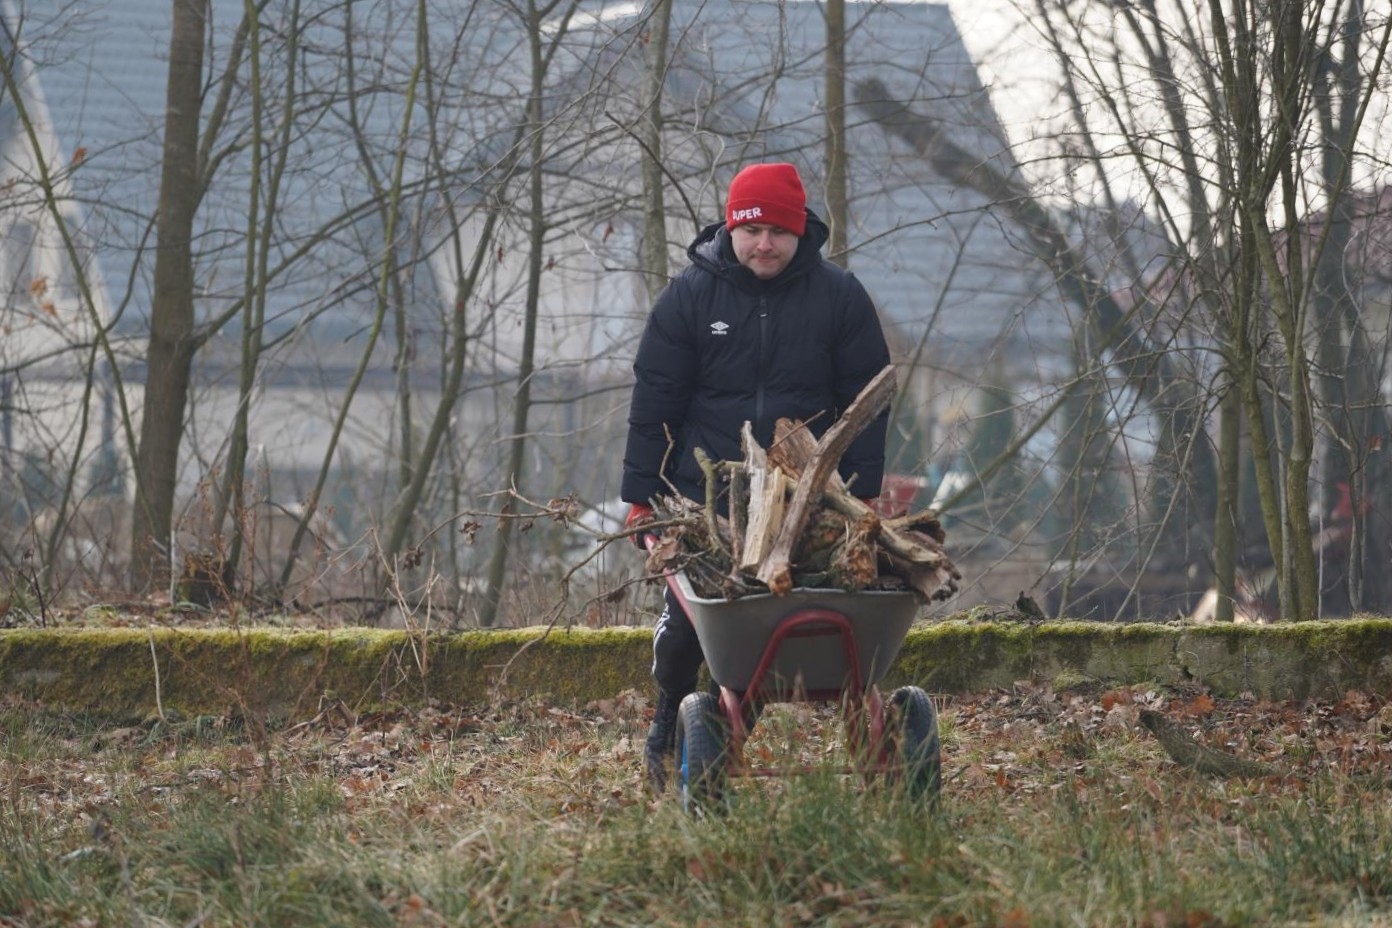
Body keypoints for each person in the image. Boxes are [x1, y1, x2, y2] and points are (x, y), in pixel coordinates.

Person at [620, 162, 892, 792]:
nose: (764, 244)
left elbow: (867, 403)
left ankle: (741, 724)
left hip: (809, 496)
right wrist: (642, 498)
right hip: (707, 496)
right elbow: (655, 400)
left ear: (800, 232)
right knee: (694, 627)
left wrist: (861, 491)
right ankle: (671, 715)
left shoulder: (838, 298)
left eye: (778, 230)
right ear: (730, 227)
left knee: (793, 619)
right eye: (751, 229)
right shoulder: (690, 297)